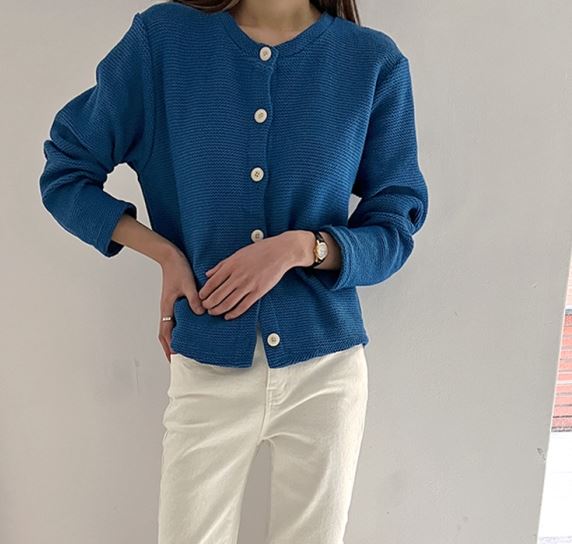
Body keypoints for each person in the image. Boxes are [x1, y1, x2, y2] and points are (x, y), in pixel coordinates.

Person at [38, 0, 429, 542]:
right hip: (208, 359)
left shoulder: (370, 63)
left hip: (326, 371)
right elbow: (66, 173)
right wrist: (166, 255)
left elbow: (394, 226)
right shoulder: (165, 41)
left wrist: (300, 248)